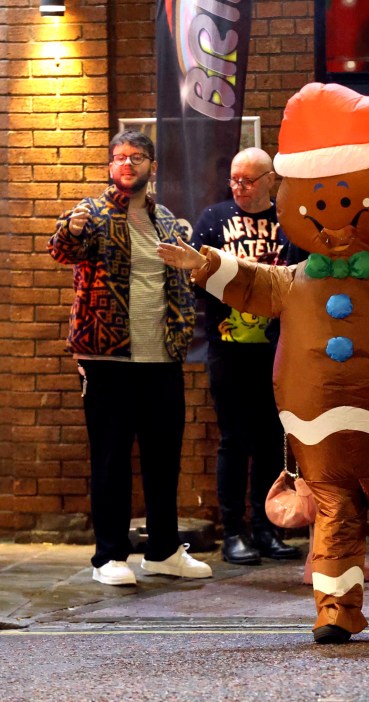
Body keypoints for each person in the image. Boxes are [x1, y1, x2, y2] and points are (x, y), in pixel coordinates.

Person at [159, 74, 369, 644]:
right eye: (322, 205)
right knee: (334, 514)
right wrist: (205, 263)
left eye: (350, 202)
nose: (335, 218)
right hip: (323, 426)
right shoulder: (295, 279)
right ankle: (336, 608)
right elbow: (253, 282)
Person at [47, 129, 212, 586]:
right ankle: (109, 556)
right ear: (109, 166)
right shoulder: (92, 213)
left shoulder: (170, 223)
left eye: (136, 157)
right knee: (111, 457)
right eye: (118, 157)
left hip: (162, 358)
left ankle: (161, 551)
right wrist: (72, 228)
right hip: (107, 358)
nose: (126, 164)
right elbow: (61, 249)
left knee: (164, 459)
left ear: (151, 166)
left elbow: (190, 276)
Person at [191, 147, 300, 565]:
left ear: (271, 180)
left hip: (277, 347)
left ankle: (267, 528)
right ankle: (233, 531)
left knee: (274, 440)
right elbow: (197, 278)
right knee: (234, 440)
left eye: (248, 180)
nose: (239, 186)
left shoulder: (287, 221)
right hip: (229, 348)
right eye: (234, 179)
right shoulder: (213, 218)